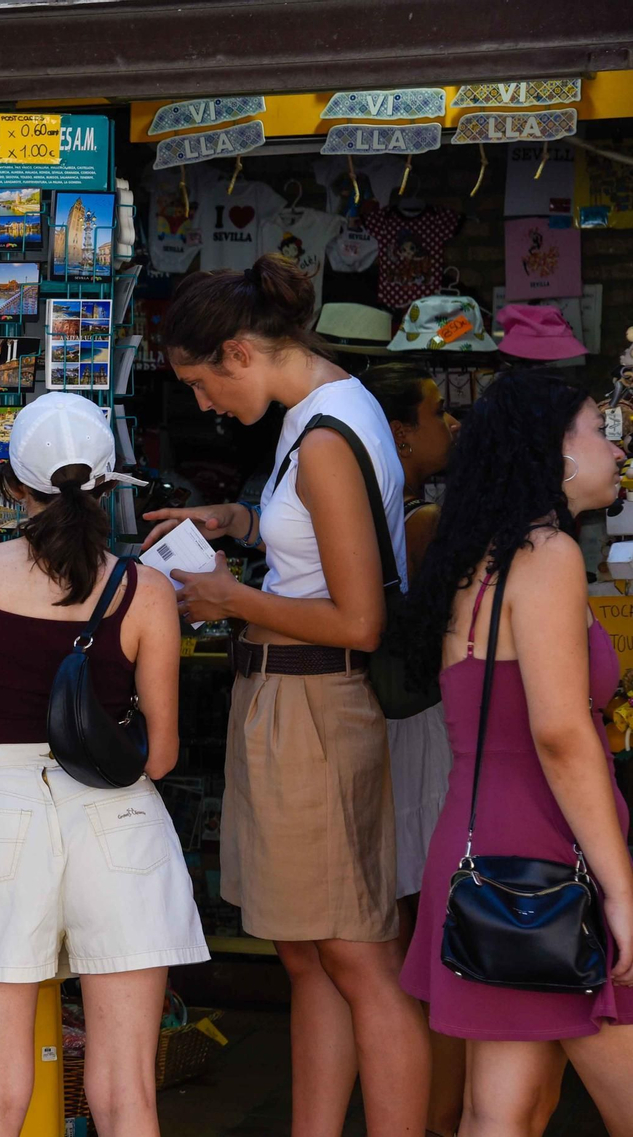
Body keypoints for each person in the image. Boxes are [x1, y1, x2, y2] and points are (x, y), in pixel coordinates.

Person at [143, 254, 430, 1134]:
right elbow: (320, 545)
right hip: (293, 706)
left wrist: (230, 596)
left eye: (200, 383)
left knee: (354, 955)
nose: (202, 405)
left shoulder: (322, 438)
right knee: (311, 954)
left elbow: (359, 620)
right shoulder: (327, 411)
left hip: (317, 708)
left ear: (238, 352)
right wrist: (237, 522)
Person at [0, 392, 208, 1137]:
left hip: (4, 811)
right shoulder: (144, 589)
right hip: (117, 817)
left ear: (16, 489)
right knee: (127, 1094)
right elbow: (165, 752)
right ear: (106, 482)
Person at [400, 371, 633, 1134]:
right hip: (547, 862)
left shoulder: (488, 557)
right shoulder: (549, 552)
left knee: (504, 1111)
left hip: (485, 855)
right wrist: (621, 887)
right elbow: (562, 734)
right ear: (554, 453)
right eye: (599, 428)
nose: (616, 444)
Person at [363, 363, 466, 1136]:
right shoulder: (422, 523)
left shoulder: (400, 516)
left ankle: (426, 1109)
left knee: (411, 922)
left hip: (398, 727)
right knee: (430, 926)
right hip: (420, 729)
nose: (451, 425)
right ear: (399, 431)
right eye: (438, 411)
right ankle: (434, 1111)